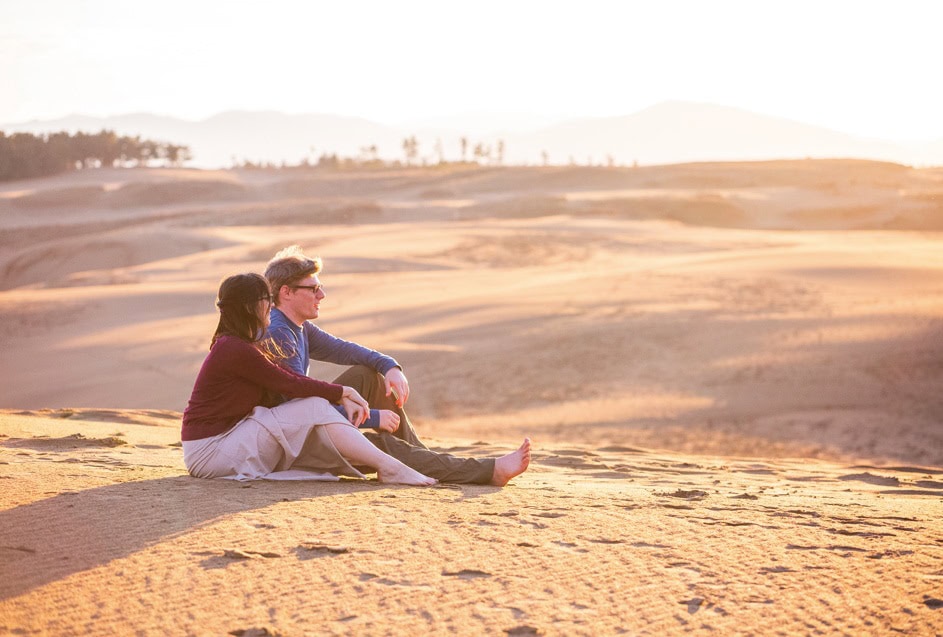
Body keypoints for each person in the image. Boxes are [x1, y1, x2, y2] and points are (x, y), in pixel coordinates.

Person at [263, 245, 530, 486]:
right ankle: (489, 471)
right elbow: (301, 411)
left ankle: (423, 457)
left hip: (308, 426)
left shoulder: (298, 327)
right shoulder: (279, 333)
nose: (322, 294)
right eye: (313, 288)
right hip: (295, 443)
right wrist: (375, 417)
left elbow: (351, 352)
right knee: (386, 446)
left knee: (367, 375)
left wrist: (390, 367)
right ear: (286, 293)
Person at [180, 272, 437, 485]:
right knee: (312, 405)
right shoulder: (233, 348)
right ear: (249, 306)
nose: (271, 304)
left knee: (311, 406)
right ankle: (390, 467)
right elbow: (290, 384)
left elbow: (300, 372)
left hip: (229, 440)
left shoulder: (241, 345)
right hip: (211, 451)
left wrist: (351, 386)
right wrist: (342, 392)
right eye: (265, 299)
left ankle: (395, 461)